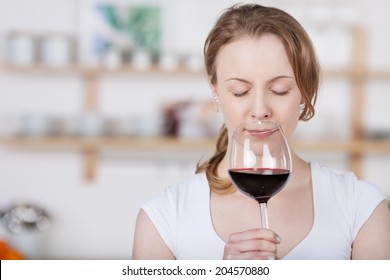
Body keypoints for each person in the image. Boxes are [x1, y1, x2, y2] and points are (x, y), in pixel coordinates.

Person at [132, 3, 390, 260]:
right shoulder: (163, 219)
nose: (259, 110)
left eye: (279, 90)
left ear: (304, 91)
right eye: (240, 92)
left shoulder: (361, 207)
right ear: (216, 90)